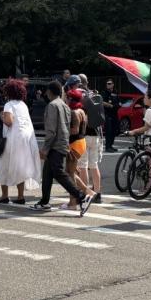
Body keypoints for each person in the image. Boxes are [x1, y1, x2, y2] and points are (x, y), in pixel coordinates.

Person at [33, 81, 91, 216]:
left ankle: (82, 196)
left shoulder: (52, 106)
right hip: (63, 143)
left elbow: (52, 131)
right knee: (47, 173)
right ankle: (44, 201)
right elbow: (66, 128)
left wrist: (45, 149)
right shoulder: (65, 105)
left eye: (47, 91)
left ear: (49, 92)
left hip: (55, 144)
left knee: (59, 173)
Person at [0, 78, 41, 204]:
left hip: (12, 138)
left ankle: (4, 195)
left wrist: (1, 116)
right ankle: (20, 196)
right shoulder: (23, 104)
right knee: (20, 165)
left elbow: (9, 122)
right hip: (25, 138)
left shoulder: (9, 105)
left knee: (3, 164)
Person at [101, 78, 121, 152]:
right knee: (108, 131)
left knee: (114, 130)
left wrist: (116, 105)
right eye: (107, 84)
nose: (108, 85)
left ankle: (111, 145)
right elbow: (102, 102)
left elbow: (119, 102)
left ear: (113, 84)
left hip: (114, 114)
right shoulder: (104, 92)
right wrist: (111, 106)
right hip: (107, 114)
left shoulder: (115, 92)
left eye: (109, 84)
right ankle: (107, 146)